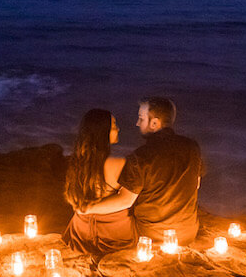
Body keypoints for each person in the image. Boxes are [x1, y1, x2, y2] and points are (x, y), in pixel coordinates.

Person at [78, 96, 203, 244]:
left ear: (155, 123)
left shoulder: (140, 157)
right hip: (188, 232)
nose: (137, 123)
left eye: (141, 118)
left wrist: (86, 208)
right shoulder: (192, 146)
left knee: (115, 218)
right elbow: (196, 184)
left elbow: (125, 201)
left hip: (152, 236)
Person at [61, 108, 137, 256]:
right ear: (103, 131)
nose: (118, 129)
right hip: (114, 234)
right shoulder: (120, 163)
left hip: (80, 233)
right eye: (114, 126)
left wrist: (85, 209)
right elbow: (126, 201)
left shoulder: (76, 163)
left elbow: (74, 199)